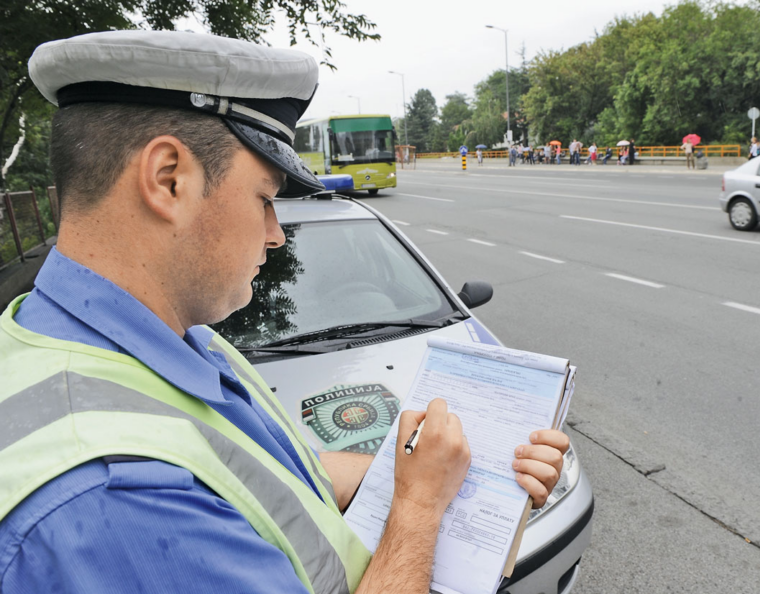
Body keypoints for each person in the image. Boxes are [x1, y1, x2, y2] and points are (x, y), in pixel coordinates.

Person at [0, 31, 570, 594]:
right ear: (168, 179)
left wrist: (445, 472)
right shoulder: (119, 500)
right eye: (266, 199)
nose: (276, 235)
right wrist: (419, 505)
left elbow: (282, 481)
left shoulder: (157, 337)